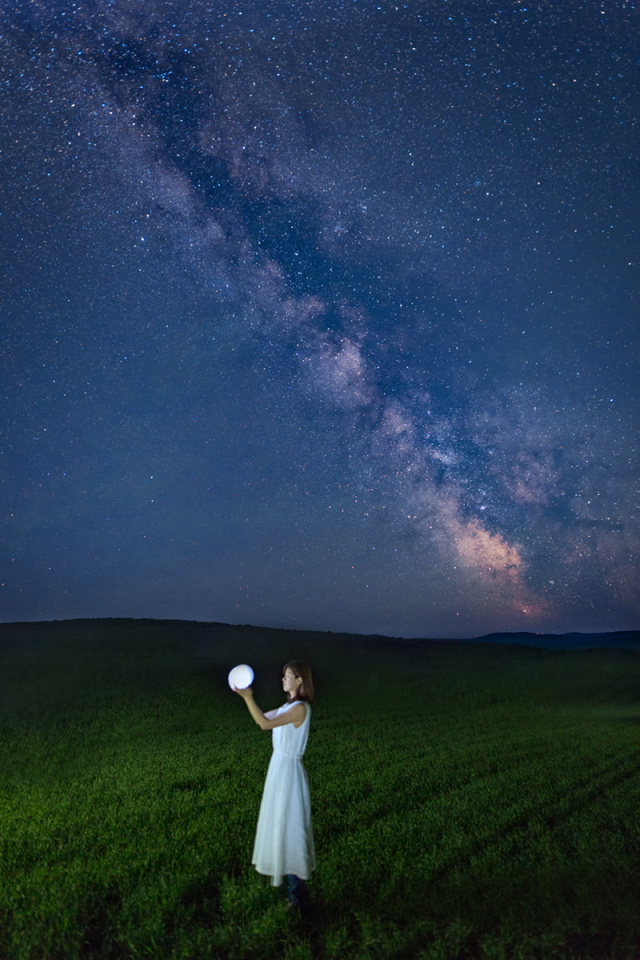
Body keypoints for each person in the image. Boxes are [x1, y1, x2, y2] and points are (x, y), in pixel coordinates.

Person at [232, 661, 316, 907]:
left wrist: (249, 697)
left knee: (292, 828)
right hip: (278, 770)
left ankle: (298, 898)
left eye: (287, 676)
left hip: (289, 772)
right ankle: (293, 893)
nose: (283, 679)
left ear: (299, 680)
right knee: (282, 825)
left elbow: (265, 724)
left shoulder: (300, 709)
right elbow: (263, 718)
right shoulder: (286, 706)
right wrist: (245, 697)